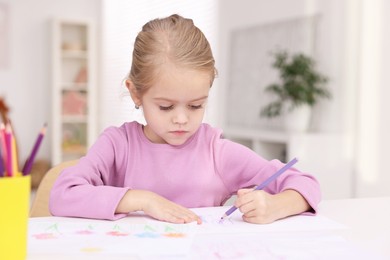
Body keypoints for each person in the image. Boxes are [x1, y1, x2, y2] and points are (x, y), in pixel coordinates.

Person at [49, 14, 321, 225]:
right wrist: (142, 199)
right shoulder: (117, 145)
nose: (181, 119)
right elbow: (62, 194)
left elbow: (305, 183)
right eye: (166, 107)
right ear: (135, 93)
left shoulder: (215, 151)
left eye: (195, 105)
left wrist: (275, 206)